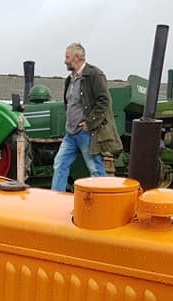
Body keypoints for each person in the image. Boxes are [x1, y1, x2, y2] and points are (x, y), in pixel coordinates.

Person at [50, 42, 123, 192]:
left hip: (86, 133)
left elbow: (104, 101)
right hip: (70, 134)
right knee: (60, 163)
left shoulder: (95, 75)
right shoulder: (69, 80)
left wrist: (89, 123)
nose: (65, 61)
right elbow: (69, 104)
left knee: (95, 168)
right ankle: (55, 198)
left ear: (76, 57)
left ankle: (104, 199)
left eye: (67, 57)